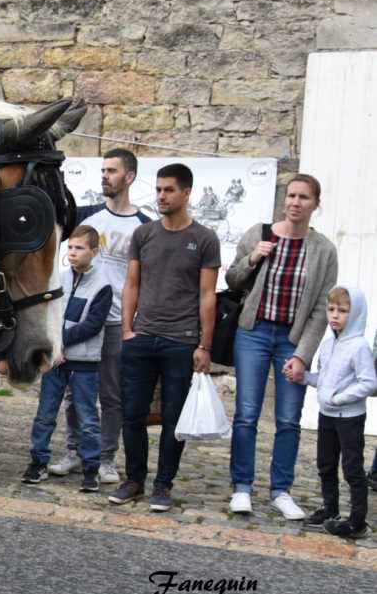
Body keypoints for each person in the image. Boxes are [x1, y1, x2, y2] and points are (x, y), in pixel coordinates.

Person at [224, 174, 337, 520]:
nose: (295, 202)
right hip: (254, 333)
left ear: (315, 204)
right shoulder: (259, 233)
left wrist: (303, 355)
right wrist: (253, 259)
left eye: (304, 197)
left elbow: (321, 309)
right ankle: (241, 488)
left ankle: (281, 491)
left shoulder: (324, 250)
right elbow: (232, 279)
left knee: (288, 419)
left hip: (292, 339)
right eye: (291, 195)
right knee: (246, 413)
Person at [110, 163, 221, 511]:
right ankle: (134, 480)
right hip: (141, 337)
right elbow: (132, 284)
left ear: (186, 193)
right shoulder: (144, 234)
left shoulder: (204, 238)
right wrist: (128, 330)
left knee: (174, 418)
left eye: (168, 190)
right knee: (132, 414)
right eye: (158, 189)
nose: (161, 196)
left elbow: (207, 295)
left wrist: (204, 345)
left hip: (181, 341)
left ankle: (163, 485)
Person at [50, 149, 150, 484]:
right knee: (73, 394)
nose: (105, 176)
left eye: (112, 170)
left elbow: (144, 279)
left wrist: (133, 324)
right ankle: (75, 452)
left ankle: (106, 457)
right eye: (102, 170)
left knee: (111, 394)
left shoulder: (144, 227)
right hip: (79, 319)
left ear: (130, 177)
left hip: (115, 323)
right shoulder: (88, 218)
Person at [22, 226, 114, 492]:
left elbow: (93, 325)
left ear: (94, 252)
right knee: (45, 414)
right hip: (55, 361)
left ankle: (90, 469)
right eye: (70, 247)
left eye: (80, 248)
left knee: (87, 417)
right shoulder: (58, 279)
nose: (73, 253)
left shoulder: (103, 285)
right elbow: (47, 315)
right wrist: (53, 347)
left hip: (84, 364)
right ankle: (38, 463)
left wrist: (60, 341)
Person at [300, 286, 375, 538]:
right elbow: (324, 378)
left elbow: (369, 383)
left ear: (355, 314)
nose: (335, 315)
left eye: (342, 311)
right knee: (325, 464)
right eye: (331, 309)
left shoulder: (359, 346)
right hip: (326, 415)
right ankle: (330, 510)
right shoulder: (328, 342)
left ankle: (357, 522)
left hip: (350, 418)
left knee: (352, 468)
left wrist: (339, 398)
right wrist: (303, 377)